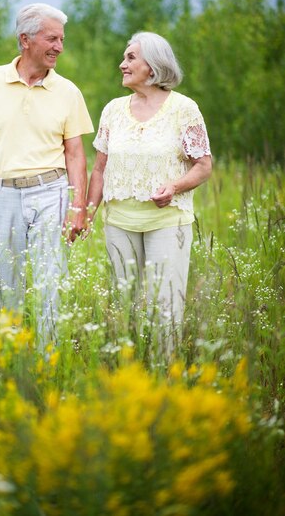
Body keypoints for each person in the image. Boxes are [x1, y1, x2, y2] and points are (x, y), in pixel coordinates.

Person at [0, 3, 94, 349]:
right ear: (25, 39)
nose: (59, 47)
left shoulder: (68, 91)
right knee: (0, 281)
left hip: (51, 192)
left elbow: (76, 153)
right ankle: (5, 357)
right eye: (52, 38)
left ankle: (49, 358)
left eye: (62, 39)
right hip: (0, 194)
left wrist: (77, 207)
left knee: (51, 279)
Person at [87, 31, 212, 356]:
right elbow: (99, 169)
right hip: (120, 222)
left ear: (153, 66)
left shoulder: (184, 109)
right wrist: (86, 212)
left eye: (130, 58)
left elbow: (203, 165)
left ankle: (164, 375)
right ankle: (128, 374)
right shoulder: (113, 110)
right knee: (124, 304)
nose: (122, 64)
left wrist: (174, 186)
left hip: (167, 222)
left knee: (166, 305)